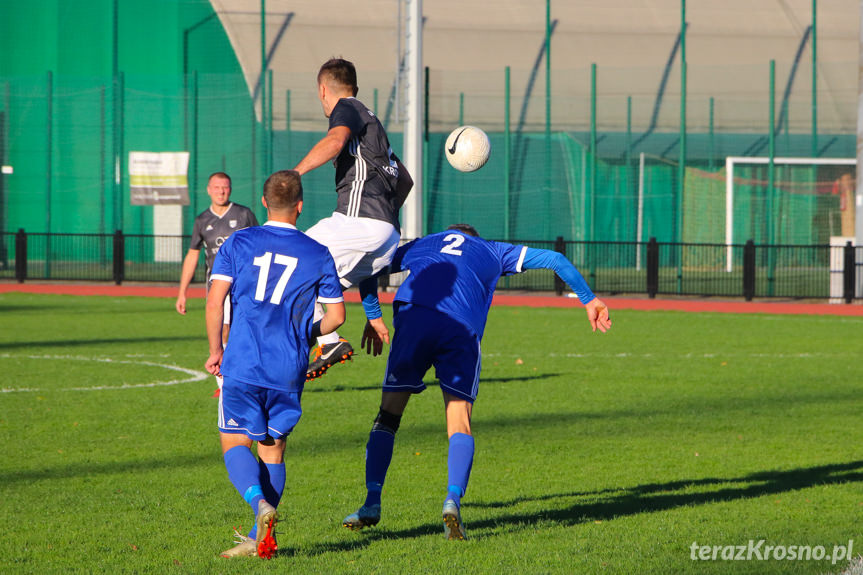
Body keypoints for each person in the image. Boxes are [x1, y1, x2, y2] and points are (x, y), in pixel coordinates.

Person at [342, 224, 612, 540]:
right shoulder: (494, 250)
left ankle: (372, 501)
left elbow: (370, 267)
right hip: (459, 329)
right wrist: (589, 299)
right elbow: (555, 259)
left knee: (387, 417)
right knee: (459, 422)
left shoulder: (425, 243)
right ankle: (452, 500)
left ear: (448, 234)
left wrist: (374, 317)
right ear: (475, 237)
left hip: (415, 320)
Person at [204, 170, 345, 558]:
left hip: (244, 361)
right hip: (289, 366)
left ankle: (259, 505)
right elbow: (336, 318)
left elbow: (216, 302)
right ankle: (260, 539)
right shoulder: (318, 253)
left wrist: (216, 350)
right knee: (273, 449)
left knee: (234, 440)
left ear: (264, 202)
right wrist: (307, 333)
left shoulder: (239, 241)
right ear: (300, 206)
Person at [293, 57, 412, 381]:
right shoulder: (377, 131)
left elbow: (335, 141)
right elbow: (405, 181)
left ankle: (276, 351)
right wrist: (373, 315)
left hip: (360, 220)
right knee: (313, 286)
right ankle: (329, 342)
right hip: (386, 236)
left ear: (322, 89)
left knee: (290, 253)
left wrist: (295, 173)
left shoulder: (346, 107)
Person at [176, 172, 259, 395]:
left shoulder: (244, 215)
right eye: (216, 187)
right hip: (217, 289)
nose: (221, 191)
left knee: (244, 331)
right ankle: (225, 385)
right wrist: (182, 292)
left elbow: (260, 246)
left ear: (230, 189)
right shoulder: (202, 220)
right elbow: (192, 255)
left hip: (245, 285)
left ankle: (246, 379)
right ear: (208, 190)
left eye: (225, 187)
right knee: (222, 331)